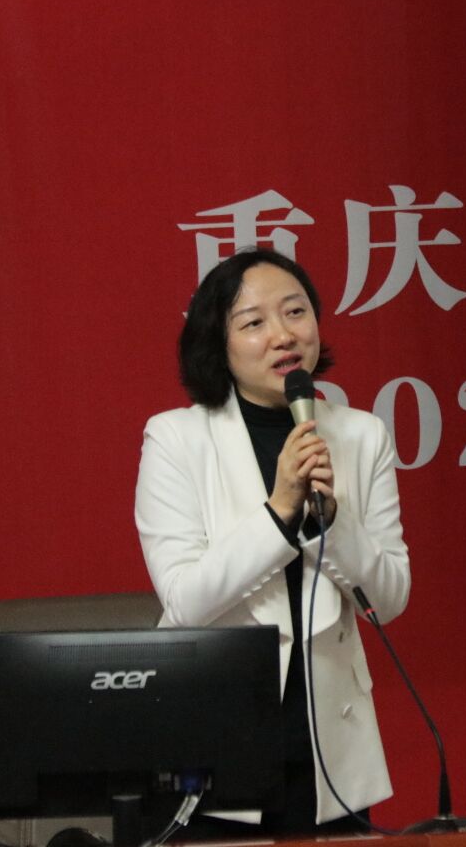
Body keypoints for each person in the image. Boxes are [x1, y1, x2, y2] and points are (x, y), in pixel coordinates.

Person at [134, 246, 411, 838]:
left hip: (329, 744)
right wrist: (281, 511)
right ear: (219, 344)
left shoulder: (361, 435)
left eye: (295, 312)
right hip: (211, 742)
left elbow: (389, 598)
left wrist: (332, 522)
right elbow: (185, 602)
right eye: (254, 322)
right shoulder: (176, 439)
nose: (283, 335)